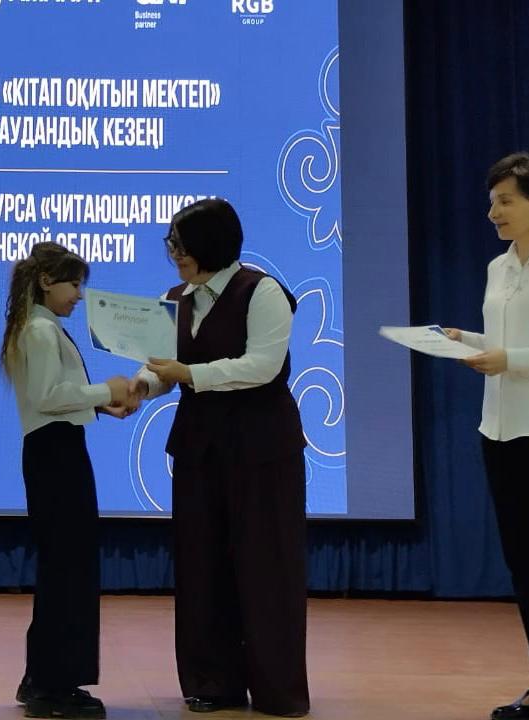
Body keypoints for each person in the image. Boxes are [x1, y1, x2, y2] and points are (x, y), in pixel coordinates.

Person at [129, 198, 309, 716]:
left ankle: (277, 689)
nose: (175, 254)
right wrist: (139, 387)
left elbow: (262, 366)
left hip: (262, 448)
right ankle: (212, 682)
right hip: (198, 447)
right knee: (201, 564)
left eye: (181, 245)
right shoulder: (173, 299)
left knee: (267, 565)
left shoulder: (262, 291)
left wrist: (191, 374)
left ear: (213, 243)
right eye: (171, 245)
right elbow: (159, 367)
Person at [445, 149, 529, 720]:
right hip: (500, 429)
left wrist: (512, 360)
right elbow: (505, 345)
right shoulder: (499, 267)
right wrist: (465, 341)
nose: (493, 213)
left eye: (505, 201)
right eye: (491, 202)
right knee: (526, 564)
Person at [1, 242, 133, 719]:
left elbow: (53, 395)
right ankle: (53, 685)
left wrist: (101, 405)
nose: (79, 295)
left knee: (62, 567)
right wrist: (105, 390)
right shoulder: (40, 330)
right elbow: (48, 396)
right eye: (74, 284)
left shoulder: (39, 327)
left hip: (55, 449)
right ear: (46, 282)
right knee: (68, 568)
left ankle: (42, 676)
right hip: (56, 454)